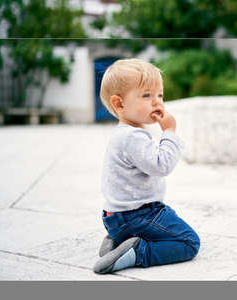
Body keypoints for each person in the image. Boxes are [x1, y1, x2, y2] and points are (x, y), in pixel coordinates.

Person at [93, 58, 200, 274]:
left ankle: (118, 239)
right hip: (138, 215)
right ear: (119, 104)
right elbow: (162, 166)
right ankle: (137, 251)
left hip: (115, 216)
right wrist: (169, 131)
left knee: (169, 219)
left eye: (160, 95)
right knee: (189, 242)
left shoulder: (123, 134)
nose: (157, 102)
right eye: (147, 96)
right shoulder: (133, 137)